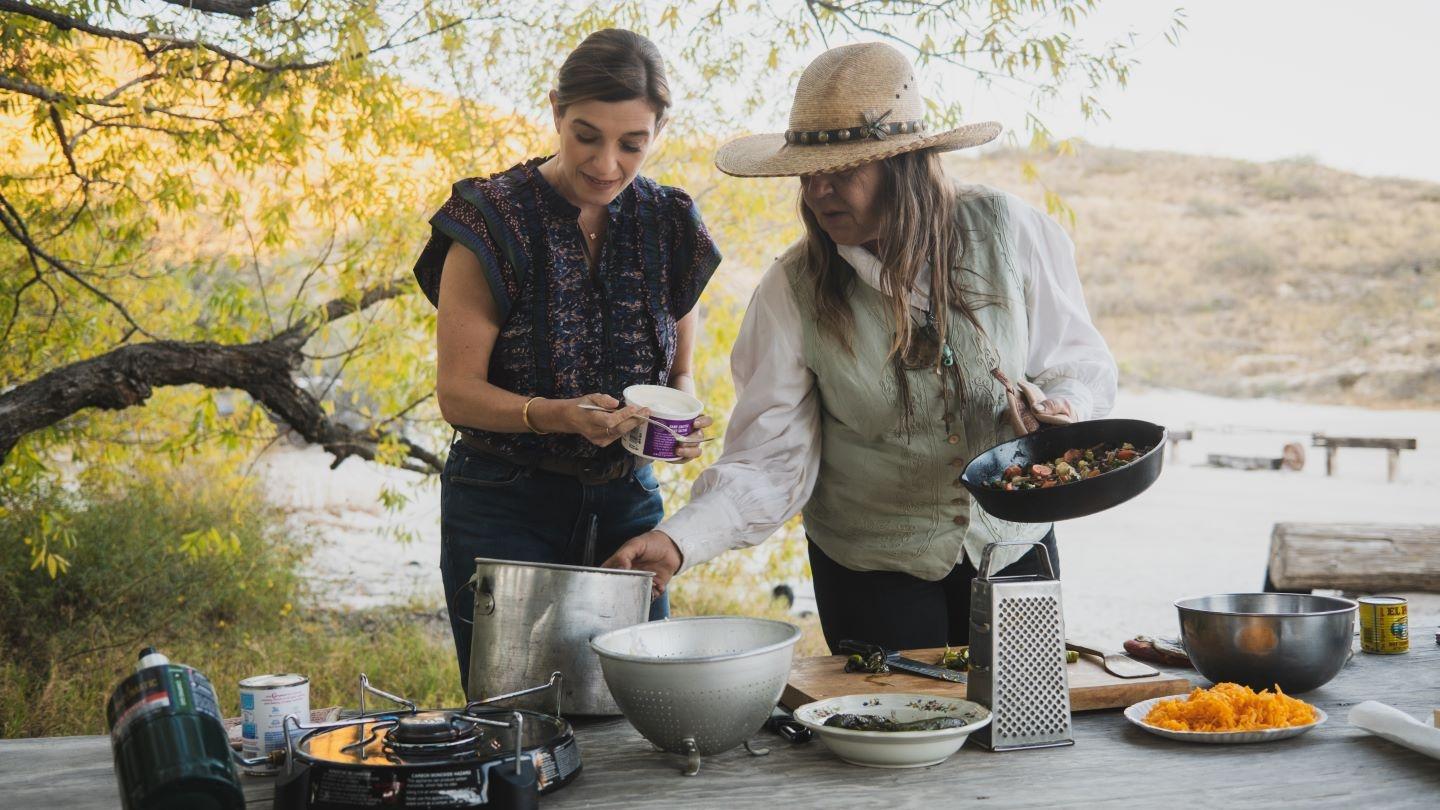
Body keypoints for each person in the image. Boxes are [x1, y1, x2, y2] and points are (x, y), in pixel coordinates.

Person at [605, 42, 1115, 652]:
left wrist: (1064, 410)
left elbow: (1077, 364)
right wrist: (681, 540)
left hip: (1013, 549)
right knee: (898, 736)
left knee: (1022, 730)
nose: (818, 191)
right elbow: (770, 459)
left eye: (844, 171)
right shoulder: (790, 292)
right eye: (808, 173)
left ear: (903, 166)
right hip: (872, 574)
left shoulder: (1013, 233)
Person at [412, 29, 721, 690]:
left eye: (631, 144)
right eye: (587, 135)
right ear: (555, 110)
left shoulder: (671, 225)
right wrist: (558, 415)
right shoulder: (490, 219)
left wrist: (680, 427)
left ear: (658, 132)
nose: (607, 163)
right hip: (501, 503)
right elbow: (456, 393)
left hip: (629, 503)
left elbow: (679, 374)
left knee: (642, 703)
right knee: (513, 714)